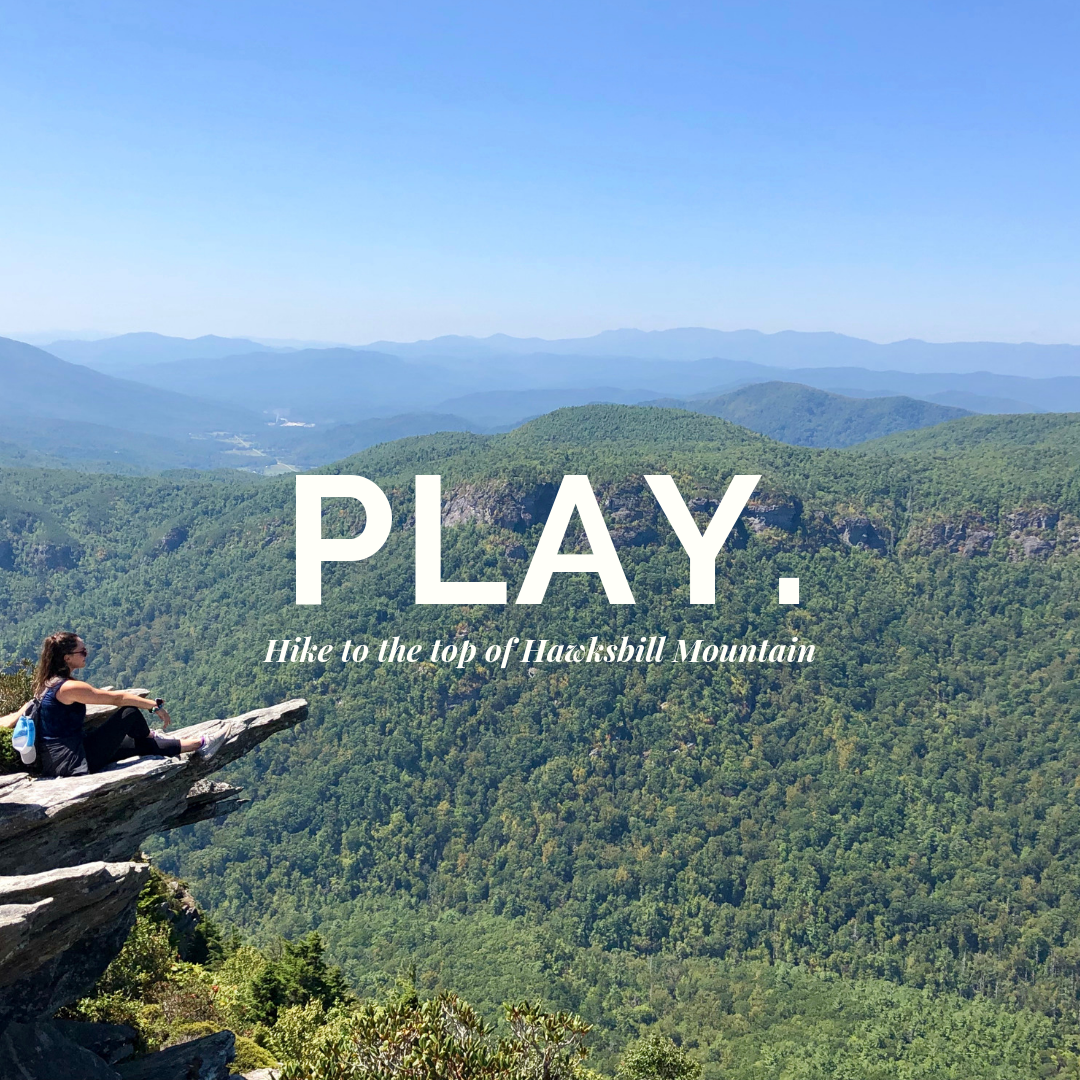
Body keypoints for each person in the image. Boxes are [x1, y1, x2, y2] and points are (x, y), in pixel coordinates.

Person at [0, 631, 226, 776]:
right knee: (129, 713)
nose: (86, 654)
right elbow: (117, 699)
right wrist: (153, 705)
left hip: (59, 759)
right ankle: (150, 735)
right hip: (73, 761)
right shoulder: (69, 688)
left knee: (133, 745)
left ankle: (199, 744)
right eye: (82, 651)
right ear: (67, 658)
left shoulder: (46, 684)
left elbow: (14, 717)